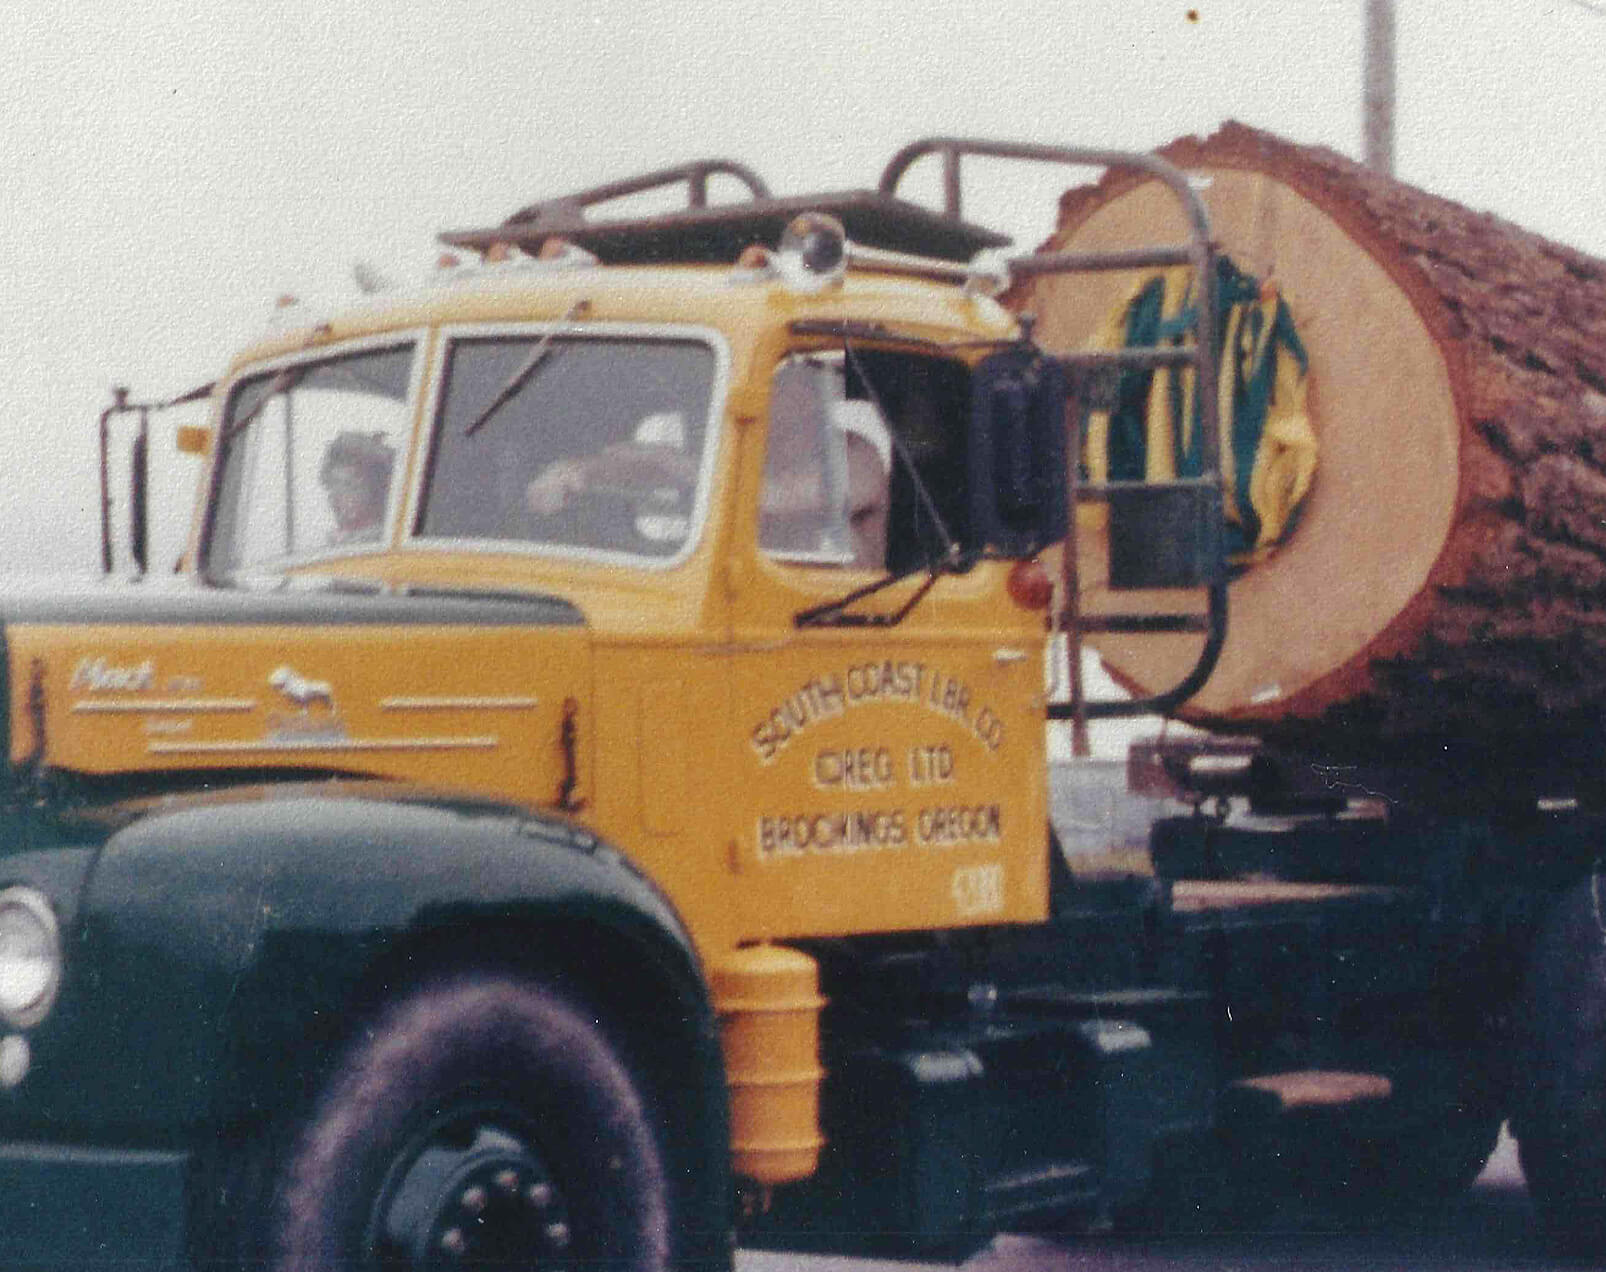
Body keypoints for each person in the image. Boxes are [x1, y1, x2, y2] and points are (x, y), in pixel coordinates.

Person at [320, 431, 395, 544]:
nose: (336, 495)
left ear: (375, 490)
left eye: (349, 485)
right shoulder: (330, 549)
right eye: (332, 485)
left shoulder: (381, 545)